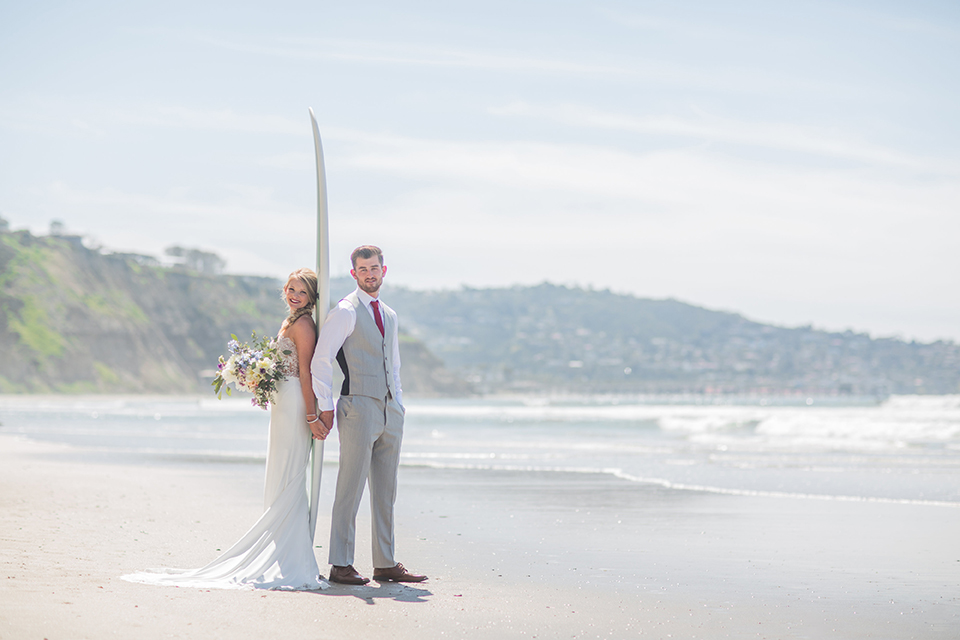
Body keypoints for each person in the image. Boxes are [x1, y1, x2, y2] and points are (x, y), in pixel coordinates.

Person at [122, 268, 329, 591]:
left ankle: (291, 555)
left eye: (302, 292)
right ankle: (281, 550)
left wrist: (312, 416)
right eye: (291, 288)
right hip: (282, 402)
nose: (294, 295)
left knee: (290, 473)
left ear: (312, 298)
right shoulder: (289, 321)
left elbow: (304, 373)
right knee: (281, 471)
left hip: (295, 403)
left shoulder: (303, 325)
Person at [310, 245, 426, 584]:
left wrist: (399, 402)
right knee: (350, 487)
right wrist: (327, 408)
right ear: (354, 274)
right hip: (358, 406)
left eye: (374, 268)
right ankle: (340, 563)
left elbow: (396, 363)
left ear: (384, 270)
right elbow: (321, 360)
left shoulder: (389, 313)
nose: (370, 274)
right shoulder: (345, 311)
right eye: (363, 269)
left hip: (390, 409)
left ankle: (385, 563)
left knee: (386, 490)